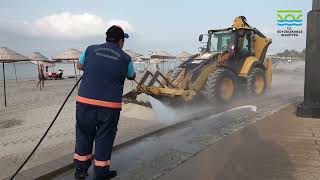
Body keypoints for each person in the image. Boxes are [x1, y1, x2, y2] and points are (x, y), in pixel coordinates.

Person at [74, 25, 136, 180]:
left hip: (85, 102)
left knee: (84, 134)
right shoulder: (125, 58)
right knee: (104, 138)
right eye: (123, 41)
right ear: (121, 41)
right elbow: (132, 75)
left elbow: (79, 65)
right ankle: (101, 174)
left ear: (107, 38)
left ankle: (81, 171)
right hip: (109, 108)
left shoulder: (90, 50)